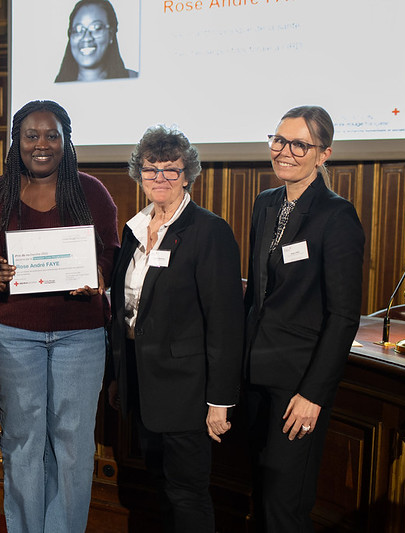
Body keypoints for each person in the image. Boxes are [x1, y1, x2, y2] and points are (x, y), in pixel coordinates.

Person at [0, 100, 119, 533]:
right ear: (17, 141)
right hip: (16, 335)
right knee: (23, 442)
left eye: (52, 135)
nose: (41, 144)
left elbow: (111, 252)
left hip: (80, 335)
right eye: (31, 135)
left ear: (66, 142)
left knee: (73, 445)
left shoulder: (91, 192)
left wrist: (99, 274)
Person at [107, 125, 245, 532]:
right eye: (151, 169)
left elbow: (225, 322)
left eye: (171, 169)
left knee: (187, 494)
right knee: (160, 487)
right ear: (140, 174)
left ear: (187, 175)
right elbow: (125, 309)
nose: (160, 178)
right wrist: (118, 376)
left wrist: (220, 400)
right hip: (142, 382)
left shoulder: (208, 231)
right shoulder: (134, 229)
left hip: (188, 392)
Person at [243, 105, 364, 532]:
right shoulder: (266, 203)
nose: (285, 152)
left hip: (298, 385)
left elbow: (344, 316)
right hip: (255, 375)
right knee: (259, 494)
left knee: (285, 507)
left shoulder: (336, 215)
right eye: (279, 140)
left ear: (323, 154)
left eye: (299, 144)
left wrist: (313, 394)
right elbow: (257, 294)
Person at [54, 0, 138, 83]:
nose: (87, 38)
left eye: (96, 28)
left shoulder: (134, 80)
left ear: (111, 34)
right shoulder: (55, 87)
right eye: (78, 30)